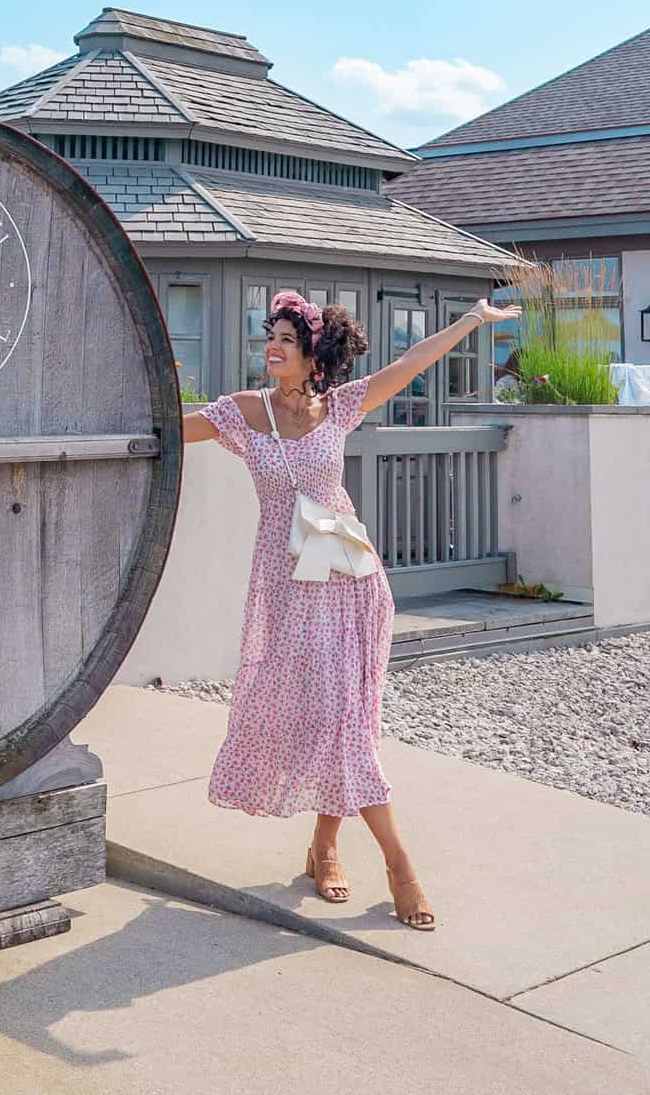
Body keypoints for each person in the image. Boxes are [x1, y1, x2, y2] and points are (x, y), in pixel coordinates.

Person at [182, 288, 521, 931]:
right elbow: (170, 426)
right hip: (288, 589)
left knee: (345, 720)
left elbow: (413, 364)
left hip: (349, 580)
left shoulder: (338, 407)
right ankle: (334, 848)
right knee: (326, 718)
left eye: (285, 337)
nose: (272, 346)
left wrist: (472, 320)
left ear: (313, 355)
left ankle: (384, 861)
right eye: (269, 335)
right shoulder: (243, 414)